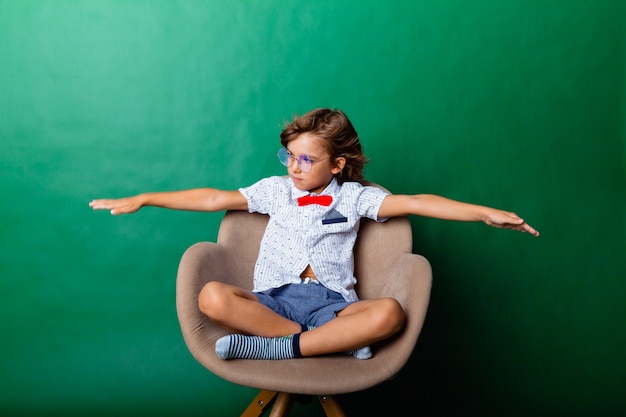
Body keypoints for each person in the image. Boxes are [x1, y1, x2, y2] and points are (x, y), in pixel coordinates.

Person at [90, 108, 539, 361]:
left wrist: (485, 213)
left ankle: (281, 347)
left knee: (388, 314)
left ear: (337, 166)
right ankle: (306, 345)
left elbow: (419, 202)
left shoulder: (358, 199)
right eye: (290, 156)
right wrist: (145, 197)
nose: (294, 166)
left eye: (306, 160)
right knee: (210, 297)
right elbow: (212, 198)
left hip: (331, 305)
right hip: (272, 300)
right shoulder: (275, 191)